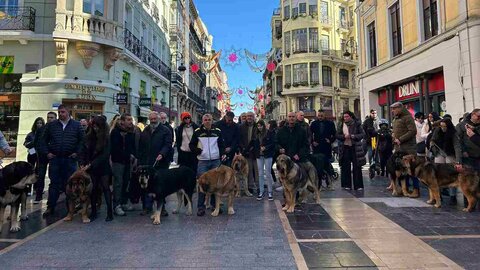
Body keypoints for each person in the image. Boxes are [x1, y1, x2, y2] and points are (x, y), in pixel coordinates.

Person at [41, 105, 85, 217]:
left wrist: (77, 153)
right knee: (54, 184)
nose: (61, 114)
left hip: (69, 159)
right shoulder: (52, 125)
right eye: (59, 112)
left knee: (70, 184)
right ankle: (50, 207)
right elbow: (43, 140)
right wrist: (47, 153)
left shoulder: (76, 125)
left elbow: (82, 141)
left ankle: (70, 207)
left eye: (63, 112)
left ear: (68, 112)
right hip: (55, 158)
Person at [189, 114, 225, 216]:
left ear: (212, 121)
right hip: (203, 161)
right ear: (203, 121)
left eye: (209, 120)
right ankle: (201, 207)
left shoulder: (217, 131)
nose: (207, 121)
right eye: (205, 120)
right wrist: (198, 151)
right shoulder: (197, 132)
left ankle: (215, 206)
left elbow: (221, 144)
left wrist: (222, 154)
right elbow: (191, 145)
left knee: (215, 184)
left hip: (215, 160)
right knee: (202, 184)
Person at [80, 116, 113, 221]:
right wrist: (82, 163)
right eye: (94, 126)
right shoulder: (88, 137)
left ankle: (109, 212)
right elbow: (82, 151)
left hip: (102, 167)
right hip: (91, 167)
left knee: (105, 188)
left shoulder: (106, 138)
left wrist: (90, 164)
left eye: (97, 126)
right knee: (93, 190)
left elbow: (105, 155)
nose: (95, 128)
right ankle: (93, 211)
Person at [139, 112, 172, 215]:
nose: (153, 120)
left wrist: (162, 154)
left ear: (158, 119)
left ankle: (162, 208)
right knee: (146, 185)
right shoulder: (146, 130)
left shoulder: (165, 130)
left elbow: (168, 144)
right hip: (147, 163)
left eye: (154, 119)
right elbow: (141, 145)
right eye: (151, 119)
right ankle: (147, 207)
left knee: (161, 186)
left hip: (160, 163)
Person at [110, 113, 136, 216]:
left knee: (126, 182)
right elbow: (115, 149)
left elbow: (132, 146)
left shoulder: (130, 132)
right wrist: (128, 155)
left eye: (131, 120)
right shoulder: (116, 132)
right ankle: (116, 205)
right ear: (122, 121)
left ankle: (123, 202)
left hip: (127, 162)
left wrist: (133, 156)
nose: (130, 122)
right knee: (118, 183)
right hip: (118, 161)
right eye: (128, 120)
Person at [391, 102, 418, 197]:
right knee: (402, 171)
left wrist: (400, 139)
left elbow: (413, 131)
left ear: (400, 108)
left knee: (412, 170)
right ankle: (404, 189)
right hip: (399, 149)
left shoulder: (408, 117)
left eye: (394, 109)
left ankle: (416, 190)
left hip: (408, 149)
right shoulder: (396, 119)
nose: (392, 111)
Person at [336, 111, 366, 190]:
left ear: (351, 117)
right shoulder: (341, 124)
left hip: (355, 147)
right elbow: (337, 135)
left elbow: (362, 134)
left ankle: (358, 185)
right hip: (345, 147)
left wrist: (353, 136)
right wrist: (343, 136)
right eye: (344, 117)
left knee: (357, 166)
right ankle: (347, 185)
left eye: (347, 117)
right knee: (345, 166)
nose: (345, 118)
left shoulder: (356, 123)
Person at [430, 118, 458, 204]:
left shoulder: (453, 132)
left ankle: (453, 196)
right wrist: (432, 144)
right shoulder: (437, 130)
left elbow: (457, 146)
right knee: (437, 173)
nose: (443, 128)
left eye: (444, 126)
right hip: (439, 152)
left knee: (451, 173)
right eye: (441, 126)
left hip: (450, 153)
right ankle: (439, 196)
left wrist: (458, 160)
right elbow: (432, 140)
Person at [33, 112, 57, 203]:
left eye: (52, 117)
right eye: (48, 117)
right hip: (43, 156)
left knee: (53, 175)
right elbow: (36, 142)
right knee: (41, 175)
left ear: (55, 118)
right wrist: (41, 151)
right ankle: (38, 196)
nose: (50, 119)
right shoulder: (41, 129)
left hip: (54, 155)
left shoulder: (58, 128)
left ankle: (52, 197)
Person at [310, 110, 336, 189]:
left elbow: (334, 134)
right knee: (318, 167)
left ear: (324, 115)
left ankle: (329, 183)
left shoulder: (330, 123)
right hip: (317, 147)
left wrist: (330, 140)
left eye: (321, 116)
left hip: (326, 147)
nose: (320, 117)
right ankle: (319, 184)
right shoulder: (314, 124)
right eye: (319, 115)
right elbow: (310, 134)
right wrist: (312, 142)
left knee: (327, 166)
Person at [253, 120, 275, 201]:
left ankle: (270, 192)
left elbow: (273, 143)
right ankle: (261, 191)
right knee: (260, 174)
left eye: (261, 125)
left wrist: (266, 147)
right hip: (259, 156)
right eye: (258, 126)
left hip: (268, 155)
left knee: (268, 173)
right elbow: (253, 144)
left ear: (264, 125)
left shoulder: (269, 133)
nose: (259, 127)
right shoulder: (256, 134)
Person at [239, 111, 259, 194]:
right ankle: (250, 187)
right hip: (246, 152)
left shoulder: (257, 126)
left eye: (251, 116)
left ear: (253, 117)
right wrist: (243, 149)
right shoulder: (241, 127)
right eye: (248, 116)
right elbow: (239, 139)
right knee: (249, 170)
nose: (249, 117)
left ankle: (258, 187)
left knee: (258, 170)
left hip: (256, 152)